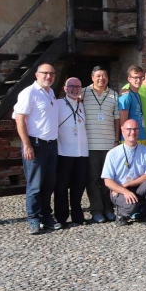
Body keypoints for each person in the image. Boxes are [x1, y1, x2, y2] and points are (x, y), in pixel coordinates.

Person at [14, 63, 60, 234]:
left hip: (51, 145)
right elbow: (19, 120)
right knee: (35, 185)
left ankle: (46, 217)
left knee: (49, 184)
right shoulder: (29, 93)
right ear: (36, 74)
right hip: (36, 145)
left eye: (52, 73)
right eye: (45, 73)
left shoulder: (50, 92)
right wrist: (27, 144)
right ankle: (33, 219)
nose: (48, 76)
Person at [101, 119, 146, 227]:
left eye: (135, 129)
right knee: (132, 204)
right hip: (118, 190)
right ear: (122, 130)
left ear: (139, 131)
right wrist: (124, 190)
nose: (132, 132)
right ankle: (121, 215)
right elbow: (107, 181)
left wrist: (128, 184)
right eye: (129, 129)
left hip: (137, 187)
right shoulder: (113, 153)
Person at [81, 66, 120, 223]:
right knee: (92, 179)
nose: (101, 78)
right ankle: (96, 210)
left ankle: (108, 208)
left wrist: (117, 140)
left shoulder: (114, 95)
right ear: (92, 77)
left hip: (109, 144)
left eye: (104, 75)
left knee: (108, 179)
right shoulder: (83, 93)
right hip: (90, 145)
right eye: (98, 75)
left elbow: (117, 120)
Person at [55, 77, 89, 228]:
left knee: (79, 184)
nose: (75, 89)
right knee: (61, 186)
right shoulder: (58, 104)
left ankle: (77, 214)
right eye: (72, 86)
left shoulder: (82, 104)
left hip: (82, 152)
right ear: (65, 88)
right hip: (64, 151)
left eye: (78, 86)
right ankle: (61, 217)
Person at [118, 65, 146, 144]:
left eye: (141, 77)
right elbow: (123, 122)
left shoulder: (137, 94)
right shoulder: (126, 96)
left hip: (141, 136)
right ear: (129, 79)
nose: (138, 80)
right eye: (135, 77)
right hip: (131, 139)